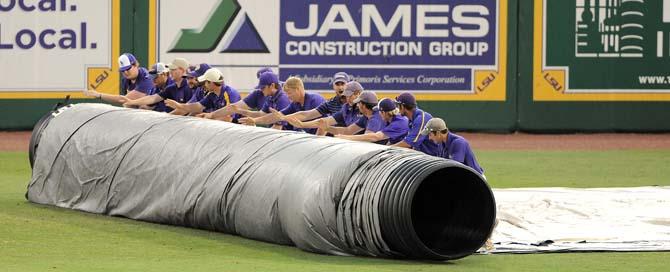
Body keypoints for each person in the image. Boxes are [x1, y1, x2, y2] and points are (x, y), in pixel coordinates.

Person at [199, 71, 290, 129]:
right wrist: (240, 111)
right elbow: (261, 114)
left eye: (263, 87)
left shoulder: (282, 99)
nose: (261, 90)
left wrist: (255, 123)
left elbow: (278, 128)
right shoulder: (270, 96)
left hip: (290, 138)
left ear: (272, 85)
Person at [240, 77, 325, 134]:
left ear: (298, 89)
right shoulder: (294, 104)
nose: (288, 96)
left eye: (289, 93)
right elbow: (276, 116)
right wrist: (255, 120)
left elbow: (324, 123)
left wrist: (318, 140)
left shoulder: (315, 100)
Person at [278, 81, 368, 135]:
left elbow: (350, 131)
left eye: (350, 96)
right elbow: (324, 121)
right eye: (346, 96)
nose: (347, 99)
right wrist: (301, 124)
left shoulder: (369, 108)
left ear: (358, 93)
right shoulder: (346, 108)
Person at [123, 58, 193, 112]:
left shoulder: (189, 87)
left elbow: (189, 109)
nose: (153, 80)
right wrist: (132, 102)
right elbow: (152, 99)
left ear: (164, 74)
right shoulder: (169, 88)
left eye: (155, 77)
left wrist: (166, 116)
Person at [164, 68, 240, 117]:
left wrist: (208, 117)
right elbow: (197, 106)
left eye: (205, 82)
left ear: (211, 82)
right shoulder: (212, 94)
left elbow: (228, 119)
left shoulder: (230, 94)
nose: (204, 85)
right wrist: (179, 105)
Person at [83, 53, 154, 104]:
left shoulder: (146, 78)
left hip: (158, 114)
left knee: (142, 106)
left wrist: (99, 95)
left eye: (128, 68)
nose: (125, 72)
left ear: (135, 65)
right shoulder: (125, 79)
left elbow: (123, 100)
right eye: (123, 70)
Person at [335, 98, 408, 144]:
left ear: (384, 113)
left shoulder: (398, 122)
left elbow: (375, 137)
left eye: (379, 111)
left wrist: (346, 138)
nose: (378, 114)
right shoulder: (391, 119)